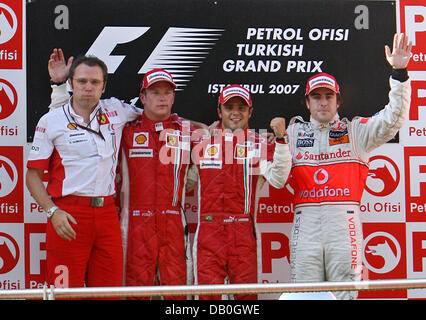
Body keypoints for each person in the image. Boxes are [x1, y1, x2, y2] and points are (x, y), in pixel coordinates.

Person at [286, 33, 412, 299]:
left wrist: (399, 74)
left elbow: (393, 119)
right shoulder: (292, 134)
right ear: (307, 102)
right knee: (301, 296)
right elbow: (252, 150)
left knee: (345, 295)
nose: (323, 102)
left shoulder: (355, 131)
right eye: (316, 97)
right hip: (305, 225)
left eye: (328, 96)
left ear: (338, 101)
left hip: (344, 225)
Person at [26, 50, 142, 290]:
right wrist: (52, 211)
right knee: (65, 293)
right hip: (68, 215)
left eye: (94, 82)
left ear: (103, 87)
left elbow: (155, 116)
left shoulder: (117, 110)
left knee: (108, 293)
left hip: (107, 214)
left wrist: (201, 127)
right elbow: (32, 176)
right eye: (82, 81)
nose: (88, 87)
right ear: (70, 84)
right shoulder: (51, 120)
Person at [187, 84, 292, 299]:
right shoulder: (200, 141)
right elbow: (184, 182)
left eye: (241, 108)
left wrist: (281, 141)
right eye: (229, 107)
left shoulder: (260, 143)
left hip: (243, 230)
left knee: (246, 299)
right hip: (208, 231)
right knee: (207, 298)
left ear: (250, 112)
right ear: (219, 111)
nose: (235, 112)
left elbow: (279, 179)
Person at [118, 68, 203, 299]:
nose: (162, 97)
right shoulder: (124, 130)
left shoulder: (187, 132)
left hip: (173, 222)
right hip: (134, 222)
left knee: (177, 292)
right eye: (155, 92)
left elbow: (221, 137)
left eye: (167, 92)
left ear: (173, 97)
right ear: (143, 97)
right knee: (135, 292)